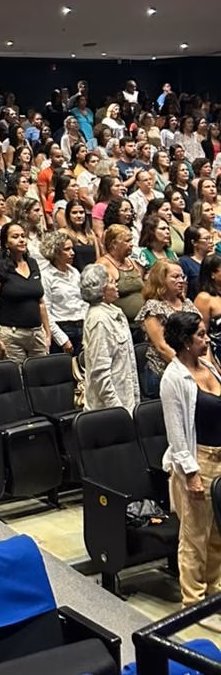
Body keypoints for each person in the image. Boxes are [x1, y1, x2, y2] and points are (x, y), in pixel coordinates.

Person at [161, 312, 221, 611]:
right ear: (185, 342)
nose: (206, 338)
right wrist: (191, 475)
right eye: (200, 334)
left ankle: (213, 591)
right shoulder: (173, 378)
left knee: (218, 533)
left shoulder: (211, 364)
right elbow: (176, 435)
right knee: (195, 536)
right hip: (199, 461)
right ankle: (193, 604)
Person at [0, 221, 51, 362]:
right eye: (15, 236)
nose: (21, 239)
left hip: (36, 332)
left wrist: (47, 333)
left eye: (23, 236)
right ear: (6, 243)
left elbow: (41, 302)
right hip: (12, 334)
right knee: (18, 378)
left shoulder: (32, 263)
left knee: (40, 378)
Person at [80, 262, 140, 412]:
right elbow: (99, 373)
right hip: (108, 410)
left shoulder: (114, 311)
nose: (117, 285)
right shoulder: (98, 319)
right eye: (112, 282)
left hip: (126, 402)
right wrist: (118, 410)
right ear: (101, 290)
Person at [137, 259, 200, 397]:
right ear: (161, 280)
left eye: (182, 276)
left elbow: (200, 337)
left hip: (192, 367)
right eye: (175, 277)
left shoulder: (187, 303)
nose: (181, 280)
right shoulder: (153, 307)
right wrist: (188, 370)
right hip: (164, 372)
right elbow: (162, 347)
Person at [40, 230, 87, 355]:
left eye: (72, 248)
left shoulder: (74, 272)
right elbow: (46, 312)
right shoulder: (46, 276)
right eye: (67, 249)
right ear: (55, 252)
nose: (72, 253)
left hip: (82, 326)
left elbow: (84, 301)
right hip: (63, 328)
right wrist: (62, 339)